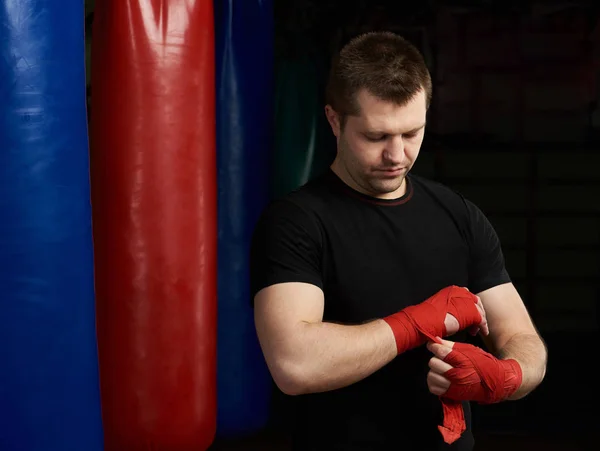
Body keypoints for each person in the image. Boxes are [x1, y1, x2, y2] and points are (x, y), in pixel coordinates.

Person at [249, 31, 547, 450]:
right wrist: (416, 322)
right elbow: (295, 364)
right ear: (334, 121)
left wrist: (508, 375)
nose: (397, 155)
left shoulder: (459, 215)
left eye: (412, 133)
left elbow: (521, 338)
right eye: (376, 137)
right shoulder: (296, 223)